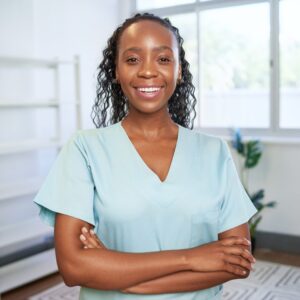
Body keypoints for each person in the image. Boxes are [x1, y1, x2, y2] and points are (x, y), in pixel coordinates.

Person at [33, 12, 257, 299]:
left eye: (163, 59)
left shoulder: (214, 152)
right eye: (132, 59)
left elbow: (237, 263)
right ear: (115, 70)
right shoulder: (84, 149)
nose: (148, 71)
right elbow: (73, 267)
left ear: (178, 70)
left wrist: (125, 278)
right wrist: (192, 257)